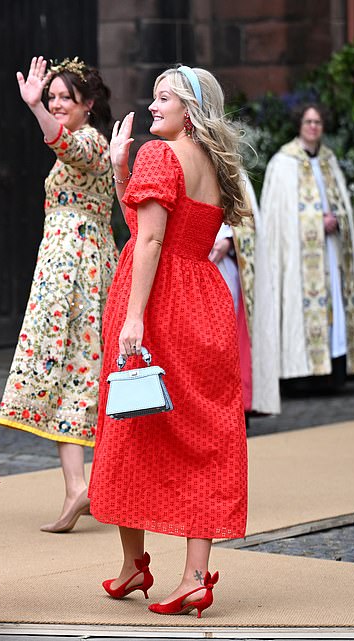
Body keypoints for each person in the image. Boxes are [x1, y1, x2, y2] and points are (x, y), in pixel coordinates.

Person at [88, 65, 249, 618]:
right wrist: (117, 170)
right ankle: (194, 576)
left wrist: (134, 317)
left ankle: (136, 560)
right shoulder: (213, 163)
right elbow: (159, 225)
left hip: (160, 303)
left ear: (189, 110)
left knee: (129, 426)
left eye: (164, 98)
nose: (153, 105)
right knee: (204, 435)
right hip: (206, 300)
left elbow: (150, 237)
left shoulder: (161, 156)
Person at [0, 56, 118, 533]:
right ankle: (76, 487)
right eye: (52, 98)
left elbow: (67, 146)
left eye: (66, 98)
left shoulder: (90, 141)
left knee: (77, 368)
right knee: (71, 370)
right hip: (68, 265)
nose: (57, 104)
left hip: (77, 271)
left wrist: (34, 110)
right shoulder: (85, 142)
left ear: (88, 104)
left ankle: (82, 486)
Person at [260, 103, 354, 388]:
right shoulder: (282, 163)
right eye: (309, 121)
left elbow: (343, 206)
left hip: (331, 253)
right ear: (299, 124)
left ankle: (334, 372)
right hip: (299, 259)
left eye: (318, 122)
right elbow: (278, 221)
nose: (313, 127)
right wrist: (315, 223)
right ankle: (301, 377)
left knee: (334, 303)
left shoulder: (329, 161)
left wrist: (338, 220)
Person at [210, 173, 280, 416]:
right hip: (194, 262)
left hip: (228, 266)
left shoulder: (231, 168)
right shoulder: (179, 158)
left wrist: (230, 240)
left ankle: (236, 404)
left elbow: (245, 217)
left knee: (228, 331)